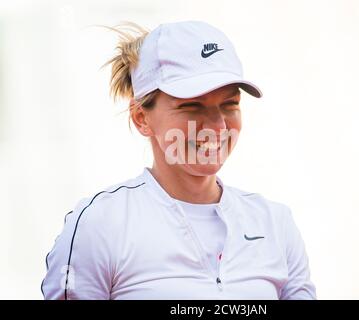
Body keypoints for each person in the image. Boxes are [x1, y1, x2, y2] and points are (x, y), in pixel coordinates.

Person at [41, 20, 316, 300]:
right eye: (192, 106)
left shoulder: (276, 223)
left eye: (230, 105)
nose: (218, 126)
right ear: (141, 118)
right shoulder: (99, 225)